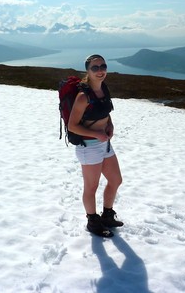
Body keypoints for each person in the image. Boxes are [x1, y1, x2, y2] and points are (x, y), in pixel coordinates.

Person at [68, 54, 124, 237]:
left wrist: (110, 125)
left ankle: (107, 215)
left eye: (103, 66)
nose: (100, 71)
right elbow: (72, 125)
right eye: (95, 67)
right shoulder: (83, 97)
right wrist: (96, 134)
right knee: (91, 187)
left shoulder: (103, 89)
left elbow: (106, 111)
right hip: (89, 147)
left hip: (104, 143)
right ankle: (92, 221)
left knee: (116, 180)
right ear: (88, 71)